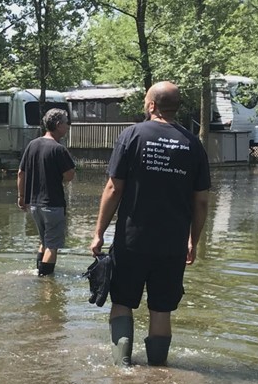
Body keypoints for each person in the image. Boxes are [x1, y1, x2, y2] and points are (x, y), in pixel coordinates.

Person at [89, 81, 211, 366]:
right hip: (172, 243)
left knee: (122, 303)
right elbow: (202, 201)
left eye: (146, 100)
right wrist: (193, 240)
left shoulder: (132, 135)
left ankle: (122, 369)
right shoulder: (193, 144)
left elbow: (113, 189)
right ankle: (159, 371)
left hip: (132, 241)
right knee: (161, 310)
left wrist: (98, 233)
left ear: (152, 105)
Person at [17, 108, 76, 276]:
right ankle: (46, 282)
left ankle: (38, 271)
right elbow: (69, 176)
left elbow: (21, 173)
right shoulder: (59, 149)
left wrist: (21, 197)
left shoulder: (32, 145)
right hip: (53, 205)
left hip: (34, 205)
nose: (68, 126)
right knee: (52, 246)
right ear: (58, 125)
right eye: (66, 123)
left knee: (44, 241)